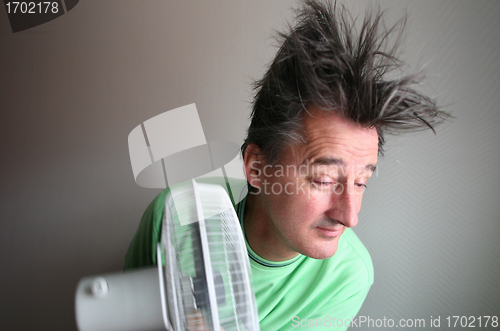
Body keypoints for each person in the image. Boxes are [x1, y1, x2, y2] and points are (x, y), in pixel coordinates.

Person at [125, 1, 449, 330]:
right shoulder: (179, 215)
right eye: (323, 180)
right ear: (256, 169)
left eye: (361, 182)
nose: (349, 216)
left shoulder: (348, 275)